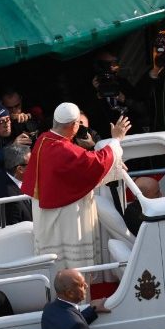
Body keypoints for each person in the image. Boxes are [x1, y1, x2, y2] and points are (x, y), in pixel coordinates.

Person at [21, 103, 131, 270]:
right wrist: (116, 139)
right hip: (67, 215)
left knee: (55, 263)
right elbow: (97, 163)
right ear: (73, 125)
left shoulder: (44, 139)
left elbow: (81, 162)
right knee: (73, 265)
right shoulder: (64, 149)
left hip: (48, 212)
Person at [41, 269, 109, 329]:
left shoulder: (49, 309)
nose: (86, 286)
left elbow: (65, 326)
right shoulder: (76, 326)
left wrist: (92, 310)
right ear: (70, 293)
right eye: (81, 285)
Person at [0, 144, 32, 226]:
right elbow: (14, 230)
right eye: (32, 163)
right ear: (20, 169)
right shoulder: (9, 197)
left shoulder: (5, 178)